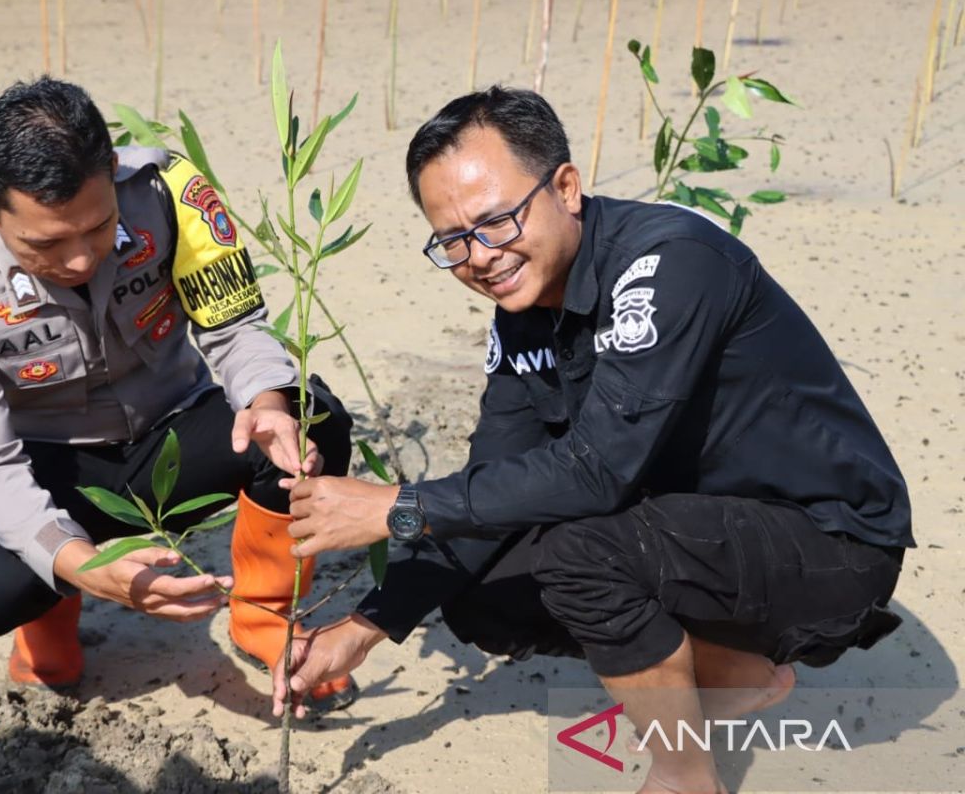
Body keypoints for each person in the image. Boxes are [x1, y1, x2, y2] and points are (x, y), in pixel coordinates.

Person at [270, 87, 911, 792]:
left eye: (497, 221)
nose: (479, 256)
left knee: (581, 553)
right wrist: (363, 628)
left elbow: (597, 471)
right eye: (452, 240)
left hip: (828, 542)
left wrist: (393, 506)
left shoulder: (670, 263)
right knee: (479, 589)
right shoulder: (523, 310)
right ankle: (735, 677)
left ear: (566, 188)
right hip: (693, 530)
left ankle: (685, 776)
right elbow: (496, 478)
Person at [0, 77, 356, 711]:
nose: (82, 259)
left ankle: (263, 618)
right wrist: (85, 566)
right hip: (55, 463)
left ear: (112, 172)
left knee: (311, 421)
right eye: (46, 243)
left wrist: (266, 404)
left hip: (178, 425)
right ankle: (47, 632)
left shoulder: (171, 195)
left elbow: (234, 327)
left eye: (97, 227)